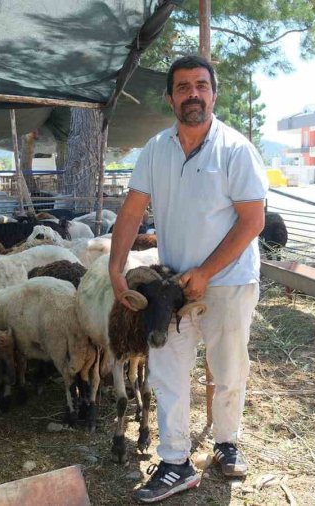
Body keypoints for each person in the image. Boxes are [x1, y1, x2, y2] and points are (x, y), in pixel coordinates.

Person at [108, 55, 268, 503]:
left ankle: (226, 442)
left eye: (201, 86)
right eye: (183, 87)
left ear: (214, 94)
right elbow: (132, 210)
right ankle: (176, 461)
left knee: (228, 365)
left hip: (230, 280)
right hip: (172, 286)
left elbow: (252, 221)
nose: (192, 94)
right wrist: (115, 269)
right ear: (171, 98)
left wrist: (207, 272)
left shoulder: (236, 150)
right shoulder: (156, 149)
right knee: (167, 369)